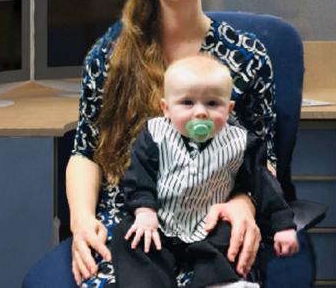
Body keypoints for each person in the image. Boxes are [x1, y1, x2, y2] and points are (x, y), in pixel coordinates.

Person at [23, 0, 282, 288]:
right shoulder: (111, 54)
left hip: (216, 220)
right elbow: (86, 152)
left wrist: (245, 203)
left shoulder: (248, 54)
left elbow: (264, 156)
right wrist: (80, 221)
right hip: (133, 219)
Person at [109, 55, 298, 288]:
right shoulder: (154, 135)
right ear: (166, 108)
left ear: (228, 109)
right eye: (187, 103)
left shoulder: (241, 143)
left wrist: (283, 224)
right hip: (161, 221)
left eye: (212, 104)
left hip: (210, 223)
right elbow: (138, 178)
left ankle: (223, 281)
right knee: (128, 236)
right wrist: (145, 211)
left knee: (232, 236)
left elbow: (264, 185)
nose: (200, 113)